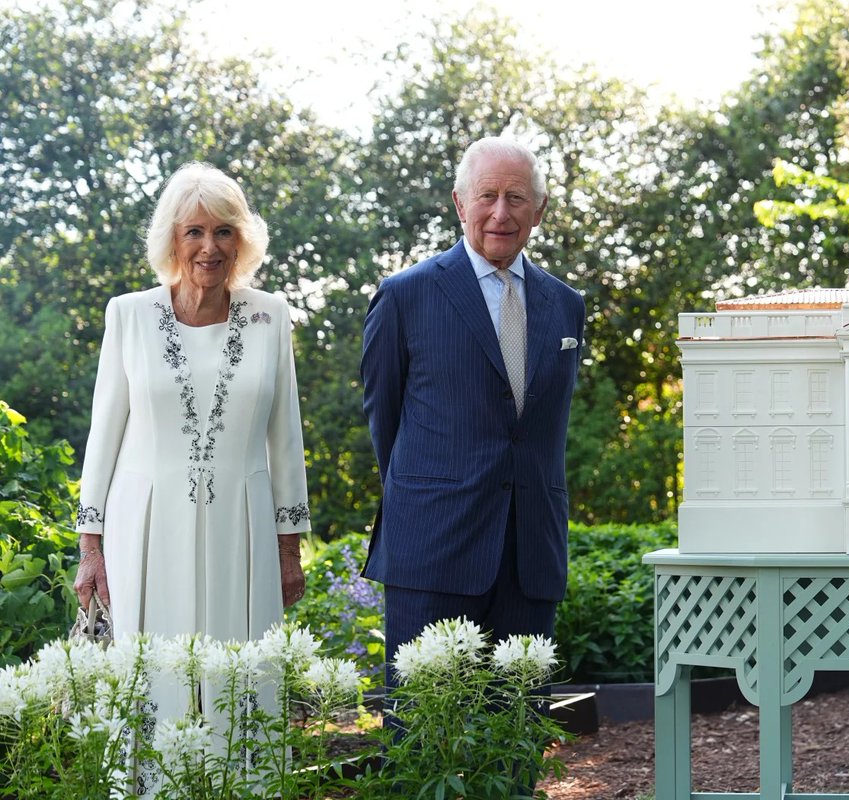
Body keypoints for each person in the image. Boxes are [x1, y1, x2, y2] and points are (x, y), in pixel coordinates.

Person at [72, 161, 310, 773]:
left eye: (224, 232)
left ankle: (248, 786)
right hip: (144, 527)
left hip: (246, 524)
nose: (210, 247)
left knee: (243, 677)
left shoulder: (270, 316)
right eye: (194, 232)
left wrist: (290, 548)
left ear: (243, 240)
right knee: (151, 679)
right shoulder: (127, 315)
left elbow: (285, 437)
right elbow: (105, 433)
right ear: (172, 242)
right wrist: (90, 546)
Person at [361, 136, 584, 688]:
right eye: (487, 196)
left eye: (516, 198)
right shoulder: (405, 297)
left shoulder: (567, 306)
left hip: (530, 554)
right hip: (432, 549)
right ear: (460, 204)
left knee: (515, 730)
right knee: (422, 732)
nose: (501, 213)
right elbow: (384, 422)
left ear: (540, 209)